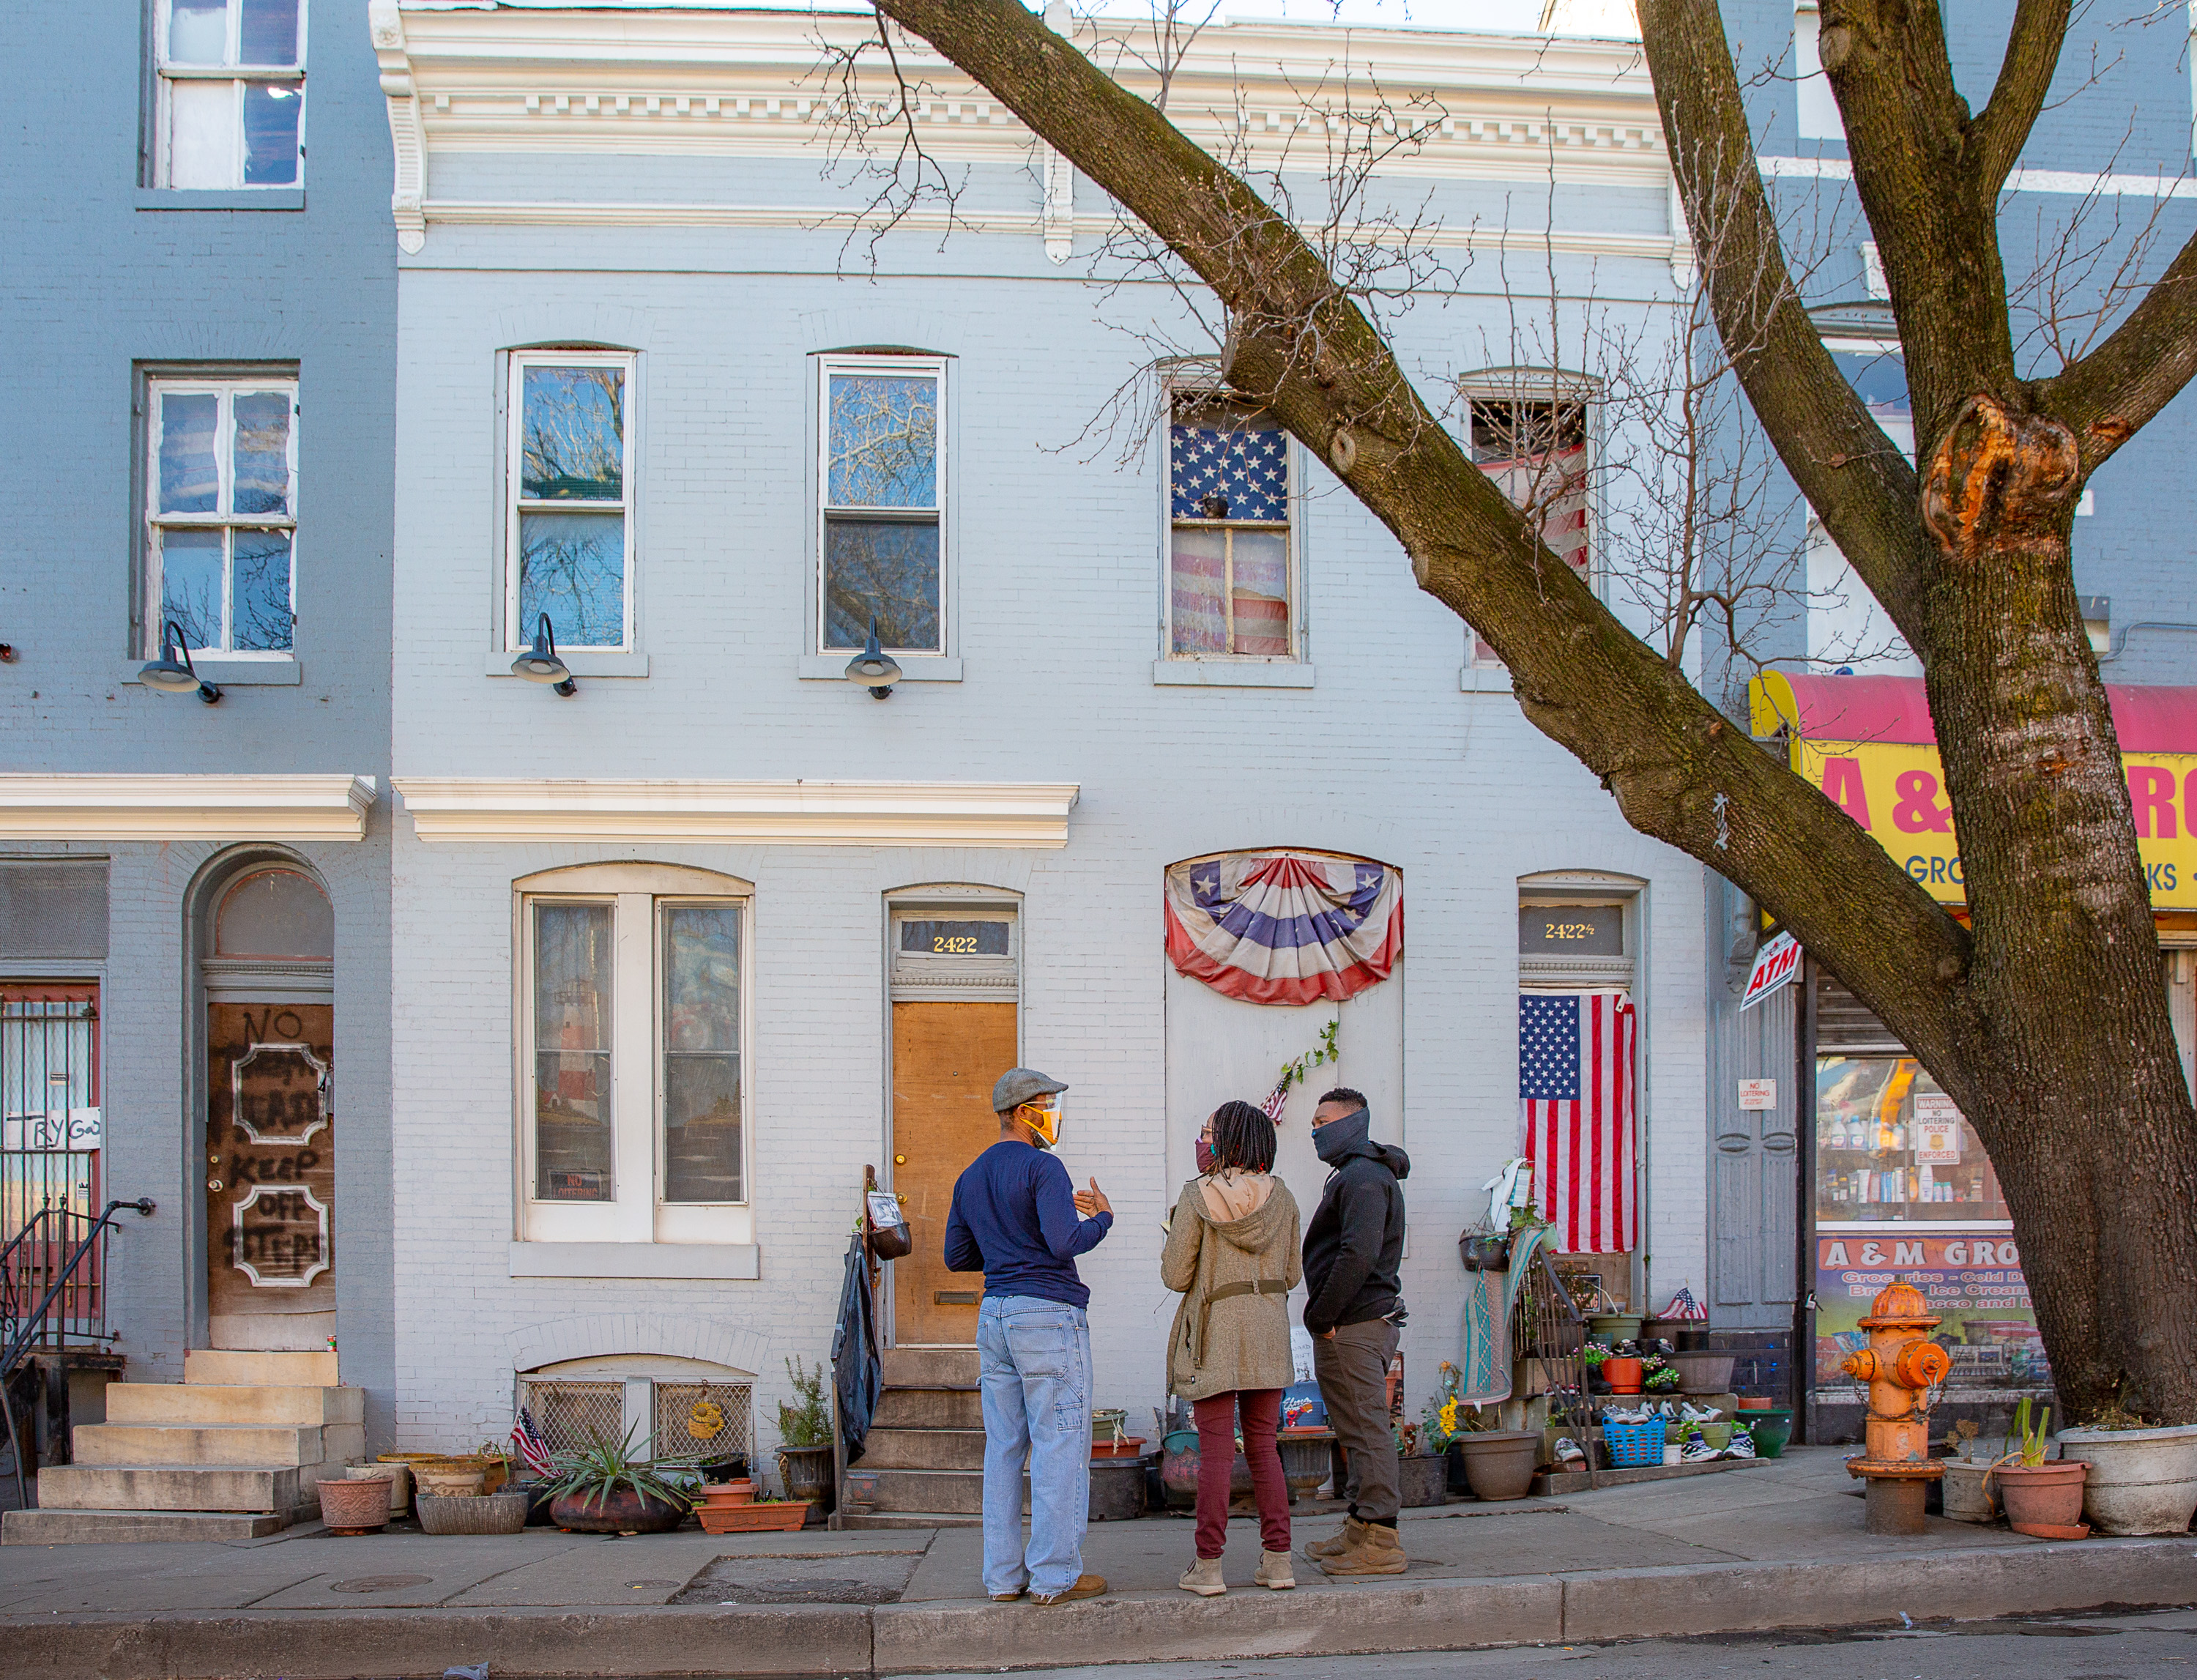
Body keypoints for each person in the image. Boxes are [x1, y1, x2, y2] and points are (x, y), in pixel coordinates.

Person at [943, 1067, 1114, 1607]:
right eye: (1046, 1103)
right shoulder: (1044, 1167)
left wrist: (1006, 1249)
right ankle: (1054, 1575)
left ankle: (1002, 1579)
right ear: (1022, 1112)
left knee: (1004, 1449)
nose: (1053, 1114)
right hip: (1047, 1316)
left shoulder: (970, 1177)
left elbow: (957, 1256)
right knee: (1059, 1446)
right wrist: (1104, 1217)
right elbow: (1066, 1241)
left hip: (995, 1315)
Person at [1161, 1100, 1303, 1597]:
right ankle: (1279, 1562)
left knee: (1217, 1454)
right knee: (1265, 1448)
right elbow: (1291, 1274)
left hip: (1215, 1334)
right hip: (1267, 1333)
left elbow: (1175, 1275)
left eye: (1207, 1133)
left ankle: (1209, 1568)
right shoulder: (1282, 1198)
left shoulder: (1196, 1197)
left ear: (1225, 1142)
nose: (1202, 1142)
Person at [1298, 1086, 1411, 1576]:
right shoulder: (1353, 1174)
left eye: (1322, 1121)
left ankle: (1382, 1540)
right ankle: (1359, 1527)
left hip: (1355, 1324)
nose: (1315, 1130)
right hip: (1351, 1322)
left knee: (1367, 1430)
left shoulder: (1364, 1178)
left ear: (1352, 1122)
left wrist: (1321, 1315)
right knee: (1355, 1431)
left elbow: (1358, 1256)